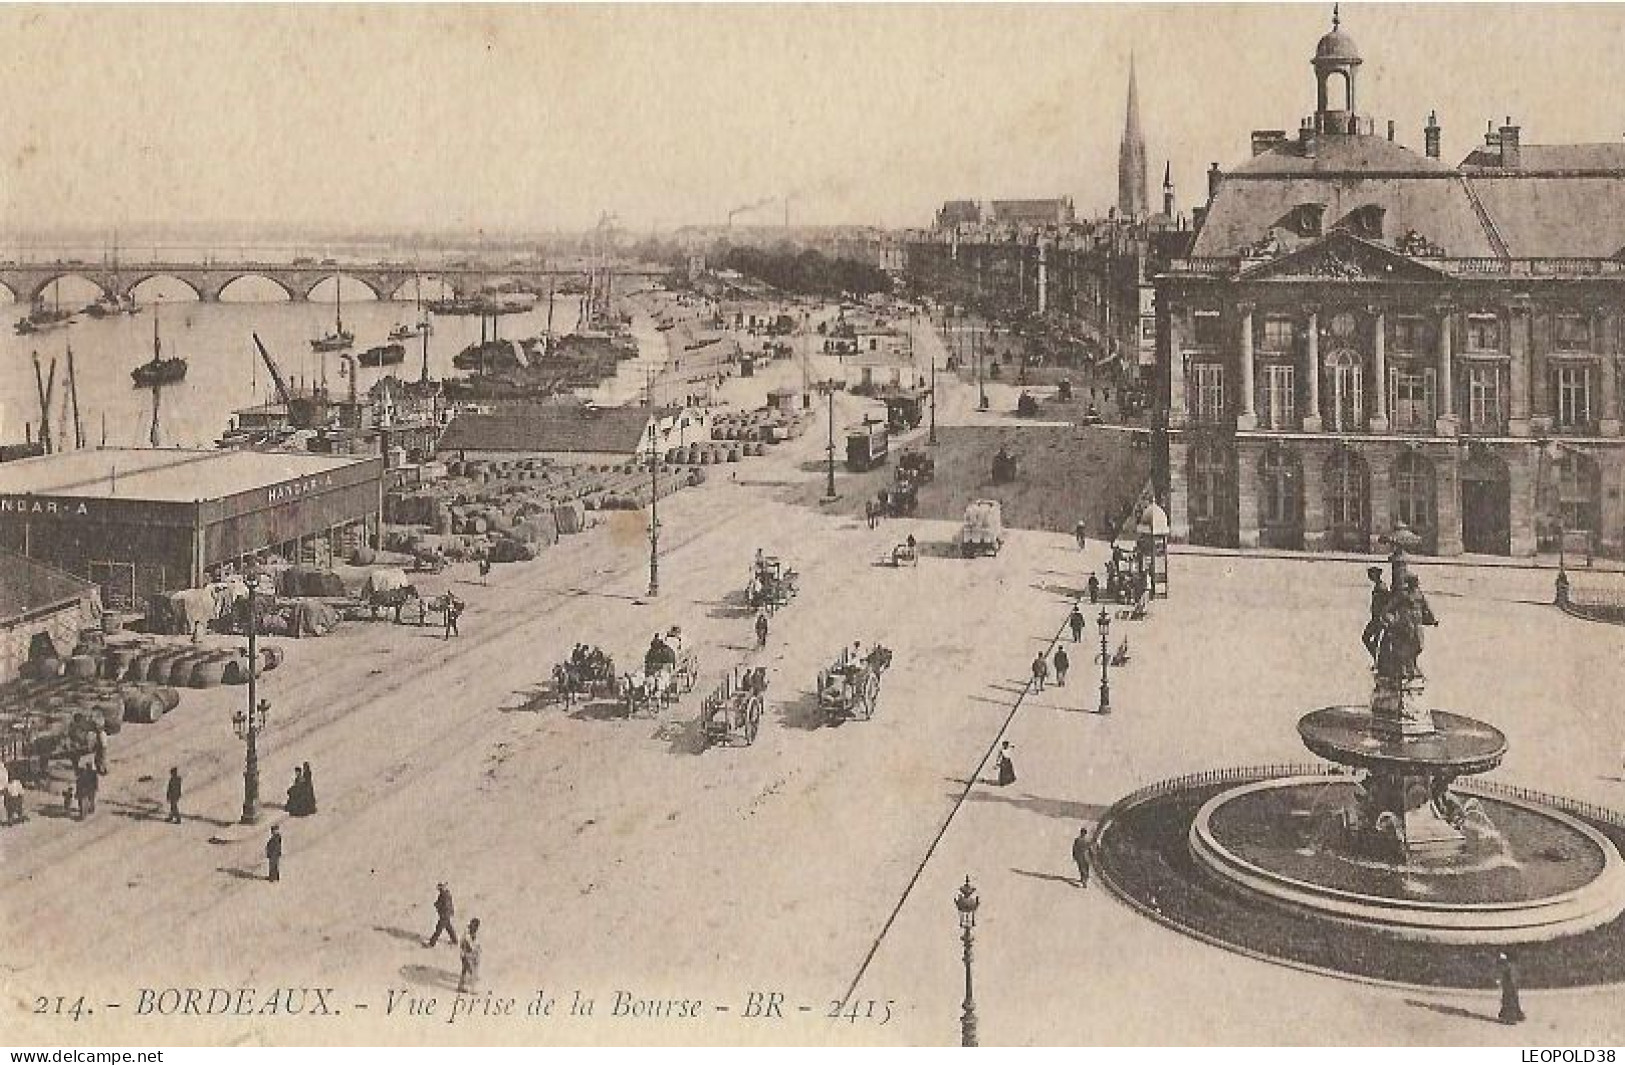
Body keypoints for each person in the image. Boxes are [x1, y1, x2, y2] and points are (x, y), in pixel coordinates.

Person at [1360, 566, 1388, 662]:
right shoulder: (1379, 586)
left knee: (1367, 638)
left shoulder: (1381, 587)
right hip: (1376, 618)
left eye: (1371, 574)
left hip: (1378, 618)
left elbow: (1384, 603)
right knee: (1373, 639)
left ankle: (1377, 660)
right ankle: (1377, 660)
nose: (1369, 577)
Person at [1497, 951, 1524, 1024]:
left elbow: (1511, 977)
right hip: (1511, 986)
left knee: (1509, 1001)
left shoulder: (1508, 966)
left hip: (1510, 986)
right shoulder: (1511, 966)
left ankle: (1510, 1018)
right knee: (1512, 1000)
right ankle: (1517, 1016)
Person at [427, 882, 458, 947]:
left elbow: (445, 905)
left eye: (440, 888)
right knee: (448, 927)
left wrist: (437, 905)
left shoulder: (444, 895)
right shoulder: (446, 894)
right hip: (446, 914)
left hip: (444, 915)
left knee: (438, 929)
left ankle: (431, 943)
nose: (439, 890)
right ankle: (455, 941)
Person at [458, 918, 482, 993]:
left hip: (466, 955)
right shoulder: (467, 935)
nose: (476, 929)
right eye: (475, 926)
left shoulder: (470, 933)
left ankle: (460, 986)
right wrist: (476, 949)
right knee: (472, 972)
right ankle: (473, 989)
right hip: (467, 956)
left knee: (464, 970)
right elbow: (470, 946)